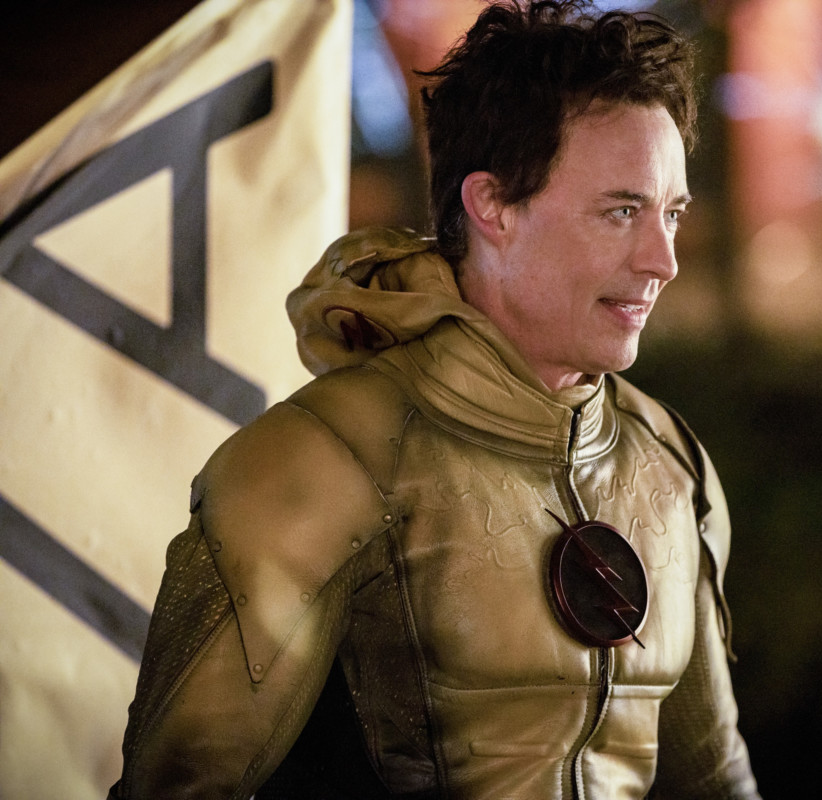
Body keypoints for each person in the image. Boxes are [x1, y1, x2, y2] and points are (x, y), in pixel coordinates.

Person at [110, 1, 760, 797]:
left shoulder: (668, 461)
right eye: (622, 211)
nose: (663, 260)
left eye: (672, 213)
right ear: (493, 207)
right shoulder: (318, 461)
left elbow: (716, 781)